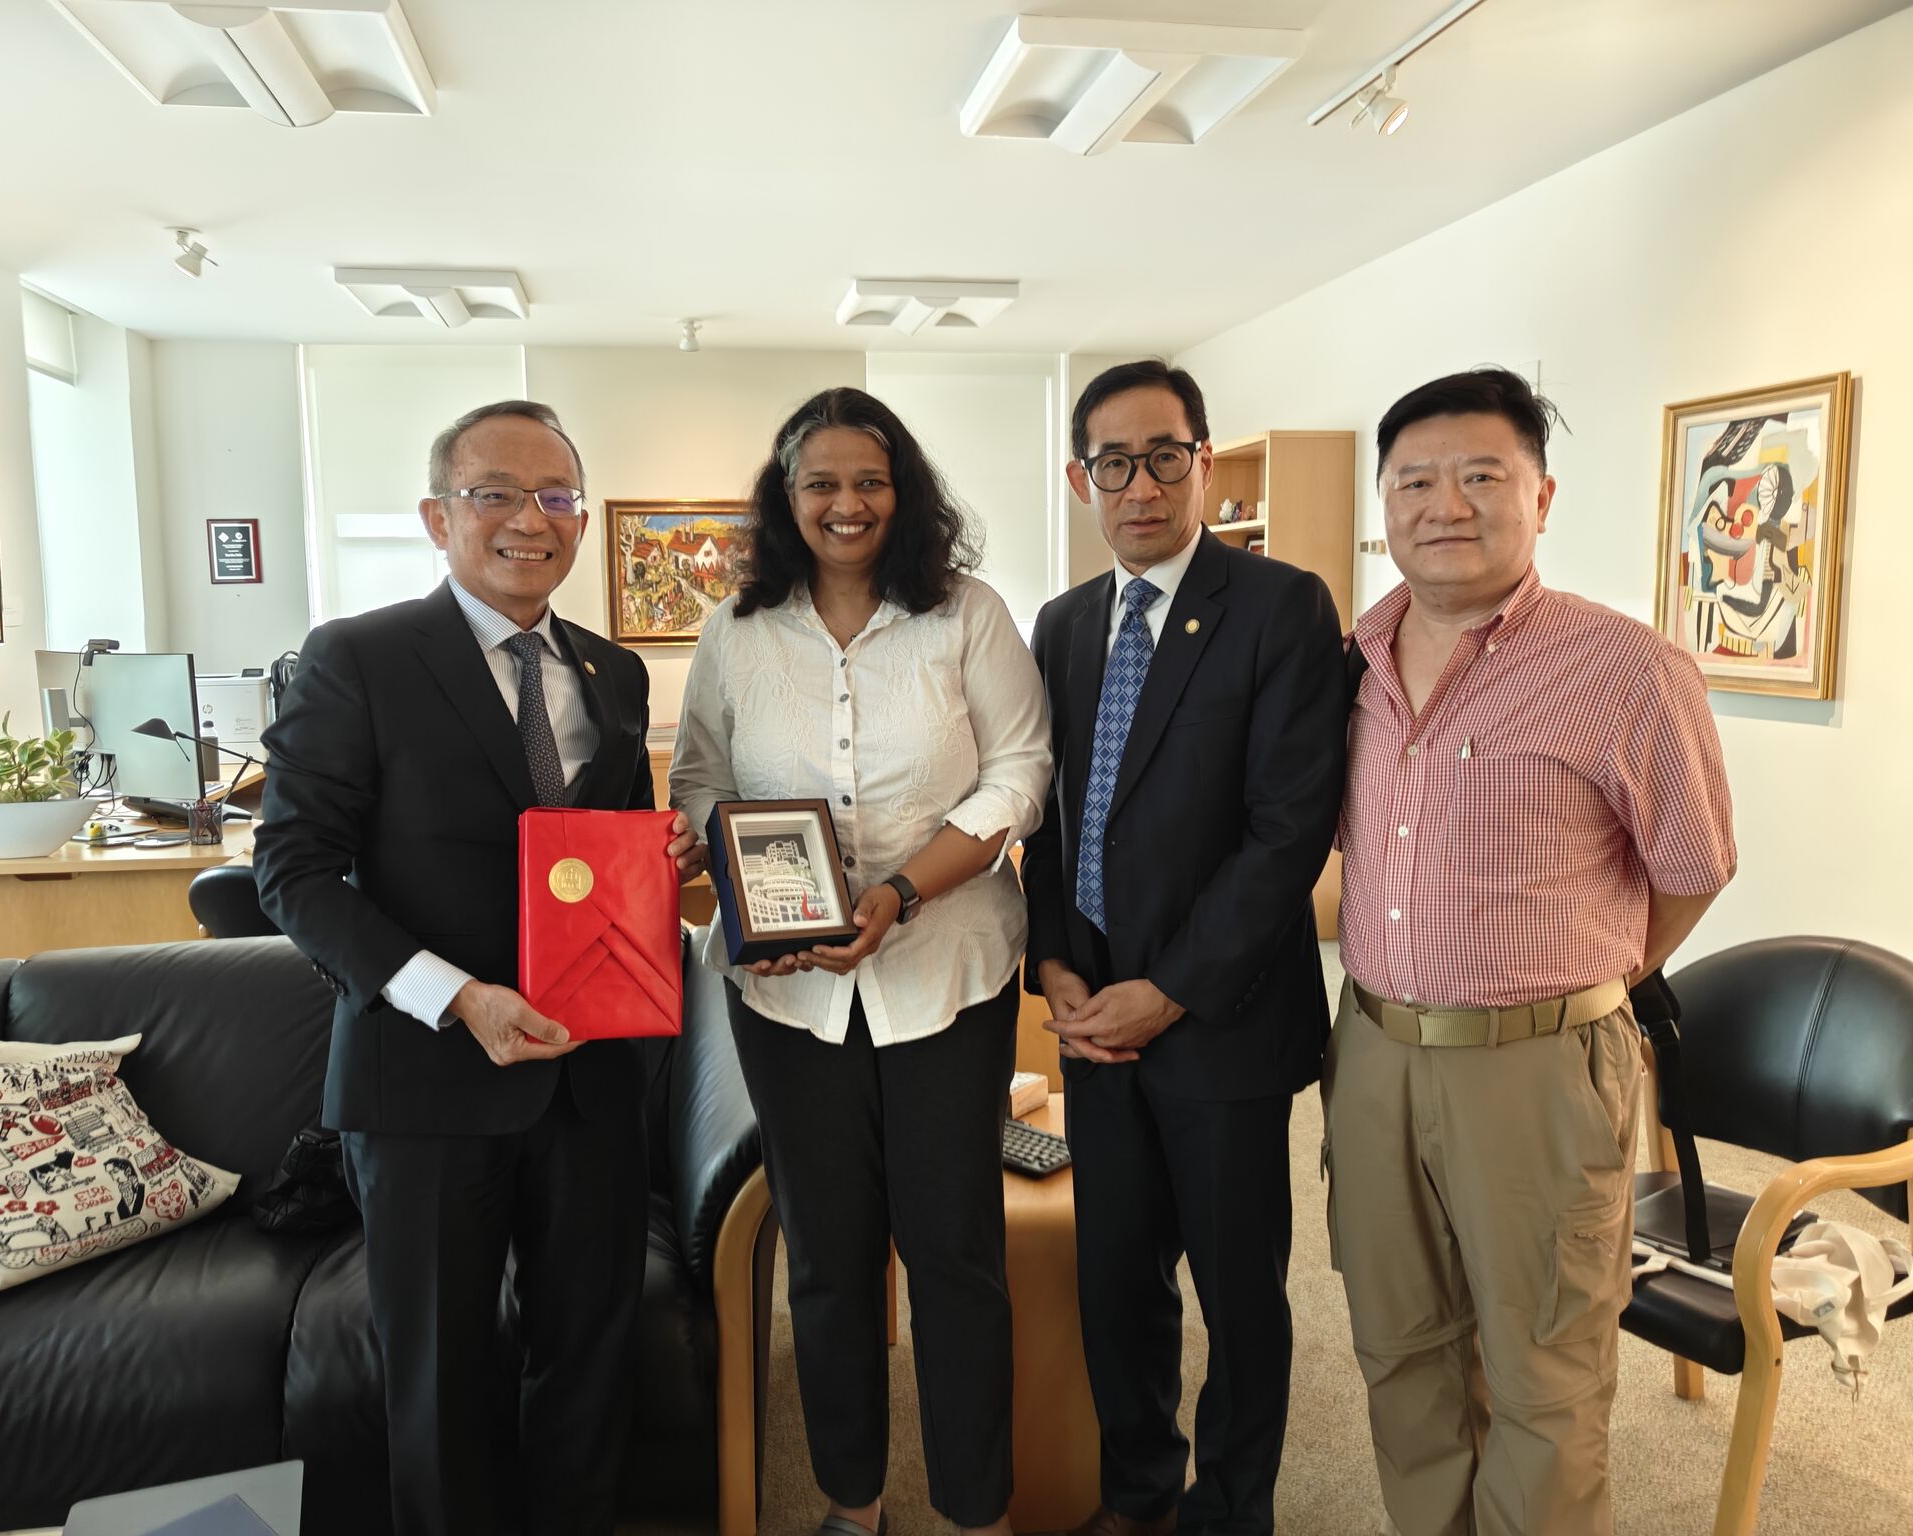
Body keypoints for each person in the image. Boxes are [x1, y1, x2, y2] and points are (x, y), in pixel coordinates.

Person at [253, 400, 705, 1536]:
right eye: (495, 493)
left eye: (556, 497)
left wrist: (667, 864)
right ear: (436, 515)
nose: (529, 521)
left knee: (589, 1367)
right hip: (426, 1086)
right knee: (442, 1383)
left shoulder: (611, 675)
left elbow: (596, 867)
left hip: (591, 1077)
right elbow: (294, 874)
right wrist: (454, 997)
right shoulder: (355, 659)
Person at [1327, 367, 1736, 1536]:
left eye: (1478, 477)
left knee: (1541, 1378)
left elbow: (1691, 868)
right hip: (1370, 1057)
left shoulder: (1623, 668)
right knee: (1398, 1352)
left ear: (1540, 497)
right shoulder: (1348, 665)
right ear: (1382, 503)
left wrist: (1579, 977)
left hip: (1541, 1070)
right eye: (1412, 480)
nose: (1441, 505)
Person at [671, 387, 1051, 1536]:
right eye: (821, 483)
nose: (846, 504)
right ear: (787, 498)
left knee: (954, 1261)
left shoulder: (966, 616)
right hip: (786, 1005)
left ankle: (974, 1509)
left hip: (947, 981)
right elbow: (699, 780)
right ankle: (852, 1498)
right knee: (828, 1266)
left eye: (868, 481)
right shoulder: (735, 631)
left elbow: (1019, 775)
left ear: (905, 491)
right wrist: (742, 884)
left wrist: (894, 892)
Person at [1021, 360, 1347, 1536]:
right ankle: (1137, 1495)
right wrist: (1056, 969)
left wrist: (1165, 991)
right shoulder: (1060, 626)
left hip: (1222, 1024)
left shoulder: (1280, 606)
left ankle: (1230, 1509)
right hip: (1094, 1022)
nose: (1140, 484)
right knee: (1115, 1284)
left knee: (1238, 1297)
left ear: (1204, 463)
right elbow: (1049, 813)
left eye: (1165, 455)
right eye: (1113, 461)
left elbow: (1284, 833)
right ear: (1079, 480)